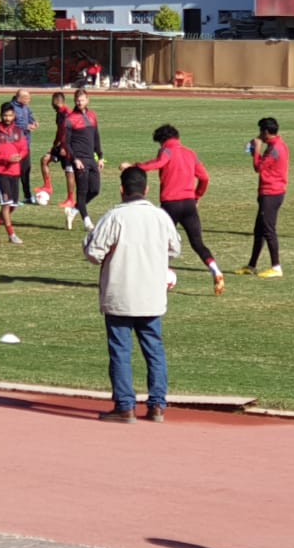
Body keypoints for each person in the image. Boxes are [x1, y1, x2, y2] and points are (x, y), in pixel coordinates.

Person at [83, 166, 181, 423]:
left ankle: (125, 405)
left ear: (122, 189)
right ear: (147, 189)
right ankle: (157, 405)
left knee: (120, 350)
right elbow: (175, 248)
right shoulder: (161, 217)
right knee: (154, 350)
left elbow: (94, 253)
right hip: (151, 295)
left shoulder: (114, 217)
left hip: (120, 294)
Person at [124, 124, 224, 295]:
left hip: (171, 204)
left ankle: (157, 277)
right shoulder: (190, 153)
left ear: (163, 140)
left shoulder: (166, 151)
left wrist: (135, 167)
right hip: (189, 203)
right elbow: (204, 178)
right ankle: (215, 270)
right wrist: (197, 196)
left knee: (159, 242)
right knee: (197, 243)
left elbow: (159, 163)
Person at [236, 117, 289, 278]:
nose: (259, 135)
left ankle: (276, 266)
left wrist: (256, 150)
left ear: (266, 132)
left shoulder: (274, 149)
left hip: (271, 193)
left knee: (268, 230)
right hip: (270, 192)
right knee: (259, 230)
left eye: (261, 131)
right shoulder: (278, 145)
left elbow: (258, 168)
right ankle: (252, 265)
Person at [0, 102, 29, 244]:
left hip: (15, 171)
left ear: (14, 116)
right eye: (5, 115)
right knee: (6, 203)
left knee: (13, 205)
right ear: (1, 115)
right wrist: (6, 158)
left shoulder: (18, 131)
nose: (8, 118)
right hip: (0, 171)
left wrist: (19, 156)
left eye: (10, 115)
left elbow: (24, 148)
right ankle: (11, 234)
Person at [62, 87, 103, 232]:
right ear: (75, 101)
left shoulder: (92, 115)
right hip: (79, 159)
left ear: (87, 100)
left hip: (91, 158)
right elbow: (66, 143)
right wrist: (74, 159)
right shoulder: (70, 119)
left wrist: (100, 156)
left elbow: (96, 136)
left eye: (82, 100)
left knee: (95, 189)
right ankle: (87, 221)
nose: (80, 102)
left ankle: (73, 211)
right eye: (77, 100)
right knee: (82, 190)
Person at [37, 91, 74, 208]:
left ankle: (70, 199)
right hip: (61, 145)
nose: (52, 105)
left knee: (69, 172)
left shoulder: (68, 114)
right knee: (45, 159)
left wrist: (64, 147)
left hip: (69, 146)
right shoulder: (59, 113)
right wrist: (54, 146)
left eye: (53, 103)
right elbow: (59, 131)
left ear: (58, 101)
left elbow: (69, 132)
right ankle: (48, 186)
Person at [10, 88, 39, 202]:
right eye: (27, 98)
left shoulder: (25, 107)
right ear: (19, 98)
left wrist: (34, 121)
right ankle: (13, 197)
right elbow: (10, 124)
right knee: (15, 171)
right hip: (15, 145)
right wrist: (26, 127)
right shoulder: (11, 108)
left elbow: (30, 115)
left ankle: (27, 196)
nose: (29, 99)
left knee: (26, 170)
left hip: (25, 144)